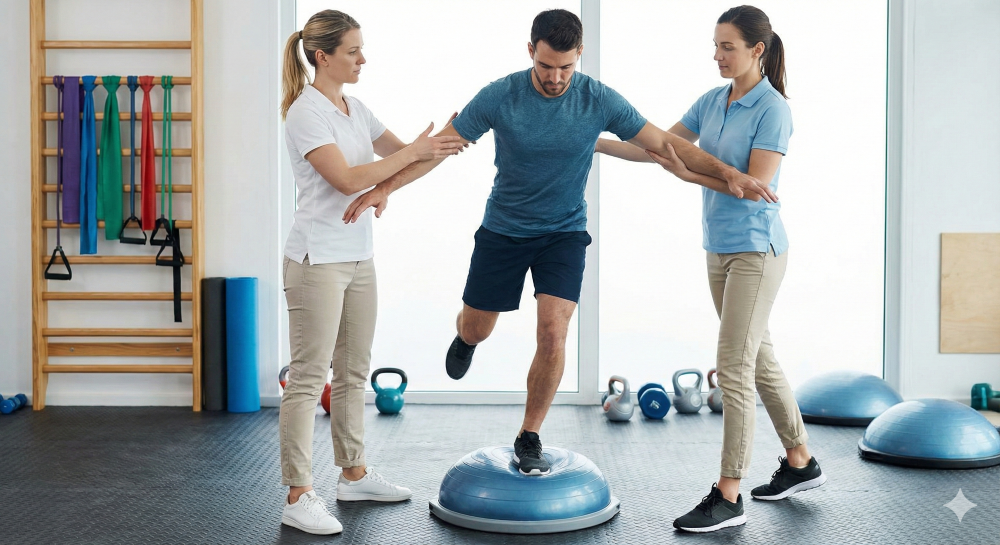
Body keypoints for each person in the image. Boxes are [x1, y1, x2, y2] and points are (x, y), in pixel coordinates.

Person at [342, 9, 775, 478]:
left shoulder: (599, 99)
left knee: (553, 330)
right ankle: (466, 337)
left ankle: (529, 434)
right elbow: (440, 148)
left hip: (564, 233)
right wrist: (386, 187)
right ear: (530, 51)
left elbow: (666, 144)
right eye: (546, 65)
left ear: (580, 54)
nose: (555, 77)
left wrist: (729, 173)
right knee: (479, 327)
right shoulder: (500, 95)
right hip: (504, 230)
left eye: (566, 67)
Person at [596, 5, 825, 533]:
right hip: (718, 248)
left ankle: (728, 496)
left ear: (757, 50)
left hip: (756, 251)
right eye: (715, 46)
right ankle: (801, 462)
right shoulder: (712, 101)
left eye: (727, 47)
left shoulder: (773, 109)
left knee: (734, 368)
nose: (717, 55)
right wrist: (589, 140)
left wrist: (689, 177)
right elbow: (656, 146)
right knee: (758, 358)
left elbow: (752, 186)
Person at [277, 9, 465, 535]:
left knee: (353, 372)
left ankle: (353, 474)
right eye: (353, 51)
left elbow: (406, 160)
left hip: (359, 256)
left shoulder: (355, 109)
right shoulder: (305, 113)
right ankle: (297, 494)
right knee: (308, 378)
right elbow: (346, 179)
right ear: (323, 57)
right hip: (316, 260)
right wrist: (413, 154)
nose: (363, 59)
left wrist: (446, 142)